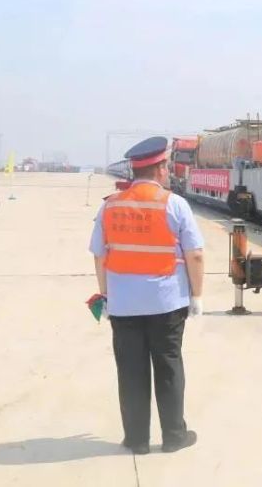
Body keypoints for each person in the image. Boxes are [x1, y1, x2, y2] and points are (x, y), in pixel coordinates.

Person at [89, 136, 205, 454]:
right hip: (167, 304)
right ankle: (174, 436)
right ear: (160, 169)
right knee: (168, 367)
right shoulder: (175, 204)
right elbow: (195, 254)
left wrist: (105, 295)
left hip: (124, 306)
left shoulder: (110, 205)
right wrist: (196, 296)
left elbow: (99, 255)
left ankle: (137, 439)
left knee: (131, 371)